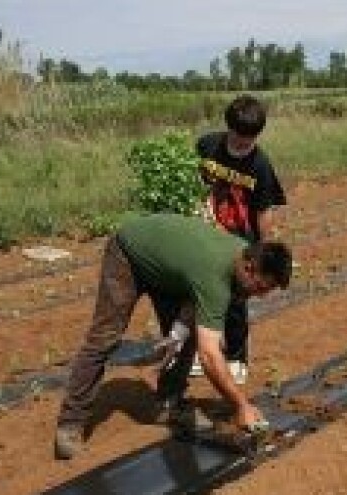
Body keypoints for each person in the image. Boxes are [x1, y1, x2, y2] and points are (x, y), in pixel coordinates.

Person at [54, 213, 292, 460]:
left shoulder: (241, 257)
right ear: (249, 267)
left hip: (167, 269)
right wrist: (241, 405)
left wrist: (179, 329)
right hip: (129, 253)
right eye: (261, 287)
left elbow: (194, 282)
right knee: (104, 338)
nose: (261, 296)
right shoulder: (217, 275)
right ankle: (69, 425)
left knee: (188, 335)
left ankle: (169, 404)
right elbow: (209, 356)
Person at [193, 94, 287, 384]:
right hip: (206, 233)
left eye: (249, 141)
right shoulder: (208, 146)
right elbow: (194, 181)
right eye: (238, 139)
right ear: (228, 129)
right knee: (201, 293)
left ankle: (236, 356)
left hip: (240, 239)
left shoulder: (260, 164)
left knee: (235, 300)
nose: (243, 146)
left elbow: (264, 210)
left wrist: (263, 248)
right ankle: (201, 350)